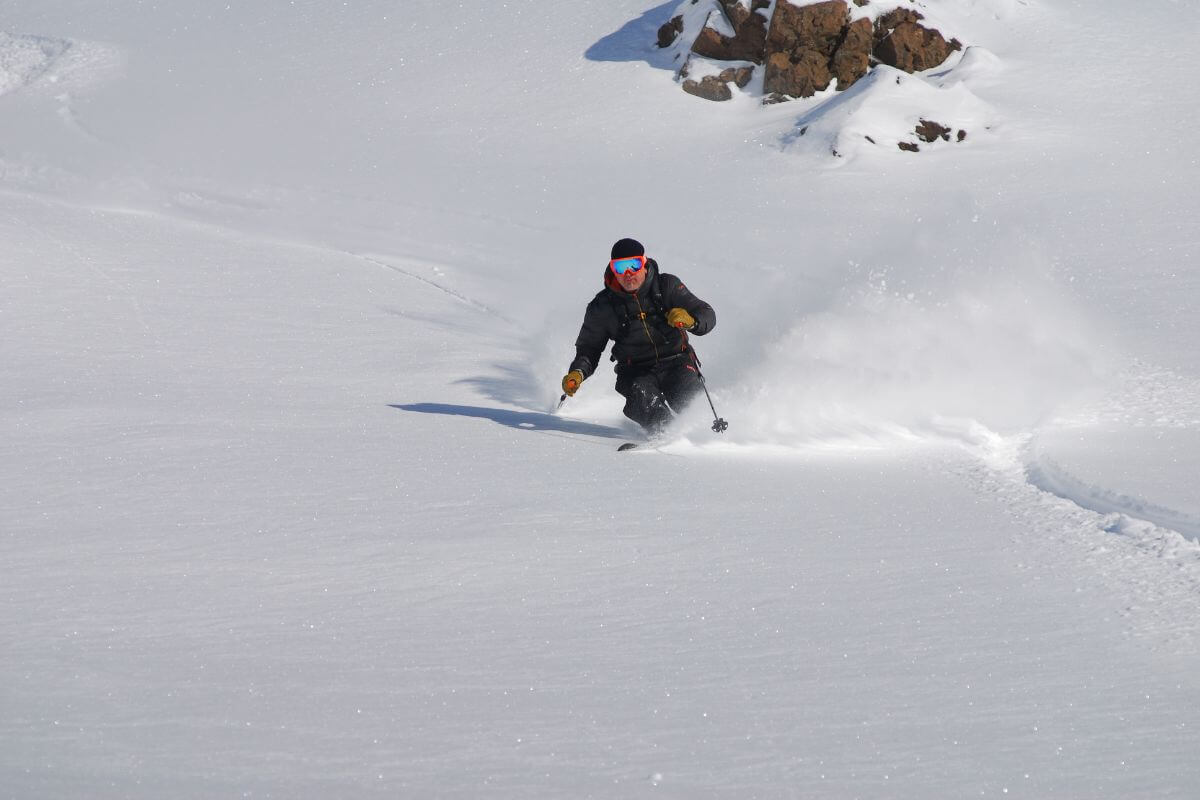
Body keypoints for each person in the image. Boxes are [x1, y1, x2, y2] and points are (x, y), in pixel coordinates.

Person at [561, 237, 716, 435]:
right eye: (620, 267)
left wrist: (692, 321)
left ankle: (707, 436)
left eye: (633, 264)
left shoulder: (666, 286)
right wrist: (578, 372)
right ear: (612, 270)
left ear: (644, 263)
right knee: (641, 396)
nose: (628, 273)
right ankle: (665, 435)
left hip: (677, 361)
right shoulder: (602, 306)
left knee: (690, 400)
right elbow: (589, 348)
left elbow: (707, 313)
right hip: (635, 370)